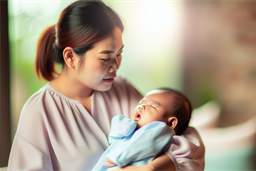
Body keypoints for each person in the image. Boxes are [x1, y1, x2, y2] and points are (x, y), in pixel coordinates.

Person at [7, 0, 205, 170]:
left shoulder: (123, 90)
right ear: (70, 57)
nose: (116, 65)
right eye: (106, 57)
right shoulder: (39, 111)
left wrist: (152, 168)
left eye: (119, 54)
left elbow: (187, 138)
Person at [93, 88, 192, 171]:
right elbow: (114, 139)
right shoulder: (135, 129)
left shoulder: (158, 129)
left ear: (171, 123)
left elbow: (142, 145)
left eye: (152, 106)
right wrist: (125, 125)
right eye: (141, 103)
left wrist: (118, 158)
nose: (141, 106)